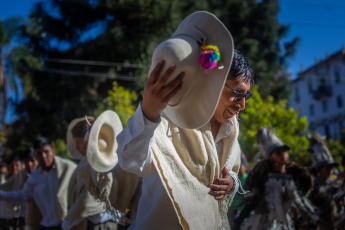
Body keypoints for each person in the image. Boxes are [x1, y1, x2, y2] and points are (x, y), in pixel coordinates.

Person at [117, 11, 254, 230]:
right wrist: (148, 113)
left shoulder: (231, 130)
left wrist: (232, 184)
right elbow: (131, 161)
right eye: (237, 93)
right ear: (216, 83)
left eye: (247, 95)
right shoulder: (166, 119)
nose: (242, 104)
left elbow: (234, 172)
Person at [234, 127, 316, 230]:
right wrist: (239, 221)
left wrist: (310, 219)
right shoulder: (263, 176)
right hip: (265, 223)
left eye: (284, 151)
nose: (283, 155)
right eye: (278, 153)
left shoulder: (293, 175)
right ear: (270, 157)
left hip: (288, 222)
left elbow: (300, 201)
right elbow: (252, 201)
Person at [0, 137, 77, 230]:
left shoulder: (68, 168)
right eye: (39, 153)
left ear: (53, 151)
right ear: (36, 156)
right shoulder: (34, 178)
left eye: (46, 152)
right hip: (47, 226)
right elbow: (22, 195)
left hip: (69, 224)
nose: (43, 156)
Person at [62, 116, 118, 230]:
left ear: (87, 139)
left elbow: (88, 197)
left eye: (78, 142)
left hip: (102, 224)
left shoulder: (100, 161)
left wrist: (69, 222)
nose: (76, 147)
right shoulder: (86, 162)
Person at [308, 131, 344, 230]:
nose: (330, 170)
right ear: (319, 169)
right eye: (326, 167)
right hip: (324, 224)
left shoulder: (337, 181)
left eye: (331, 167)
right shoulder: (313, 185)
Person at [0, 148, 39, 230]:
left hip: (41, 218)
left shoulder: (42, 175)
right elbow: (6, 187)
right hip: (21, 216)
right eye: (27, 161)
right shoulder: (20, 176)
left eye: (32, 161)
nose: (29, 164)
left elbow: (22, 195)